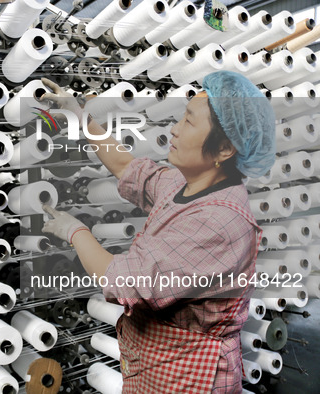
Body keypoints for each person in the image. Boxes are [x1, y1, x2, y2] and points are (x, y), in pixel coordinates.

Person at [39, 70, 276, 393]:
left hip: (190, 378)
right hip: (153, 366)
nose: (174, 129)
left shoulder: (219, 223)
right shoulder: (187, 183)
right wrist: (80, 116)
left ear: (224, 150)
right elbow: (127, 169)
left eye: (189, 122)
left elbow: (123, 282)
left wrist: (75, 230)